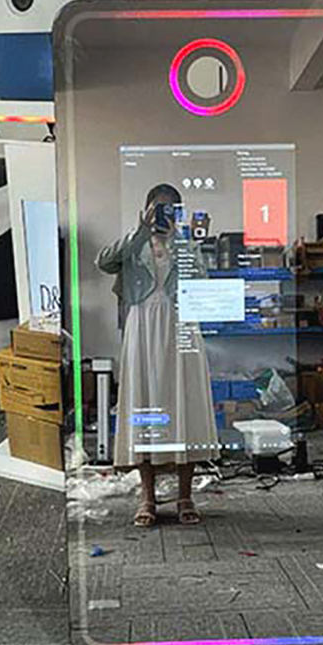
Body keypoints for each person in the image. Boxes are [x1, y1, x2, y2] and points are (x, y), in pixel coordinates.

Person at [96, 183, 220, 526]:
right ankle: (147, 497)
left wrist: (183, 238)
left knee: (185, 404)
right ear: (147, 209)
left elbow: (202, 281)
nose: (163, 214)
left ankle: (185, 496)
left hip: (181, 324)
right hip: (143, 327)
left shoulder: (186, 245)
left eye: (169, 209)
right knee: (144, 403)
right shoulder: (134, 244)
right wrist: (140, 231)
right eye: (157, 208)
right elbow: (103, 262)